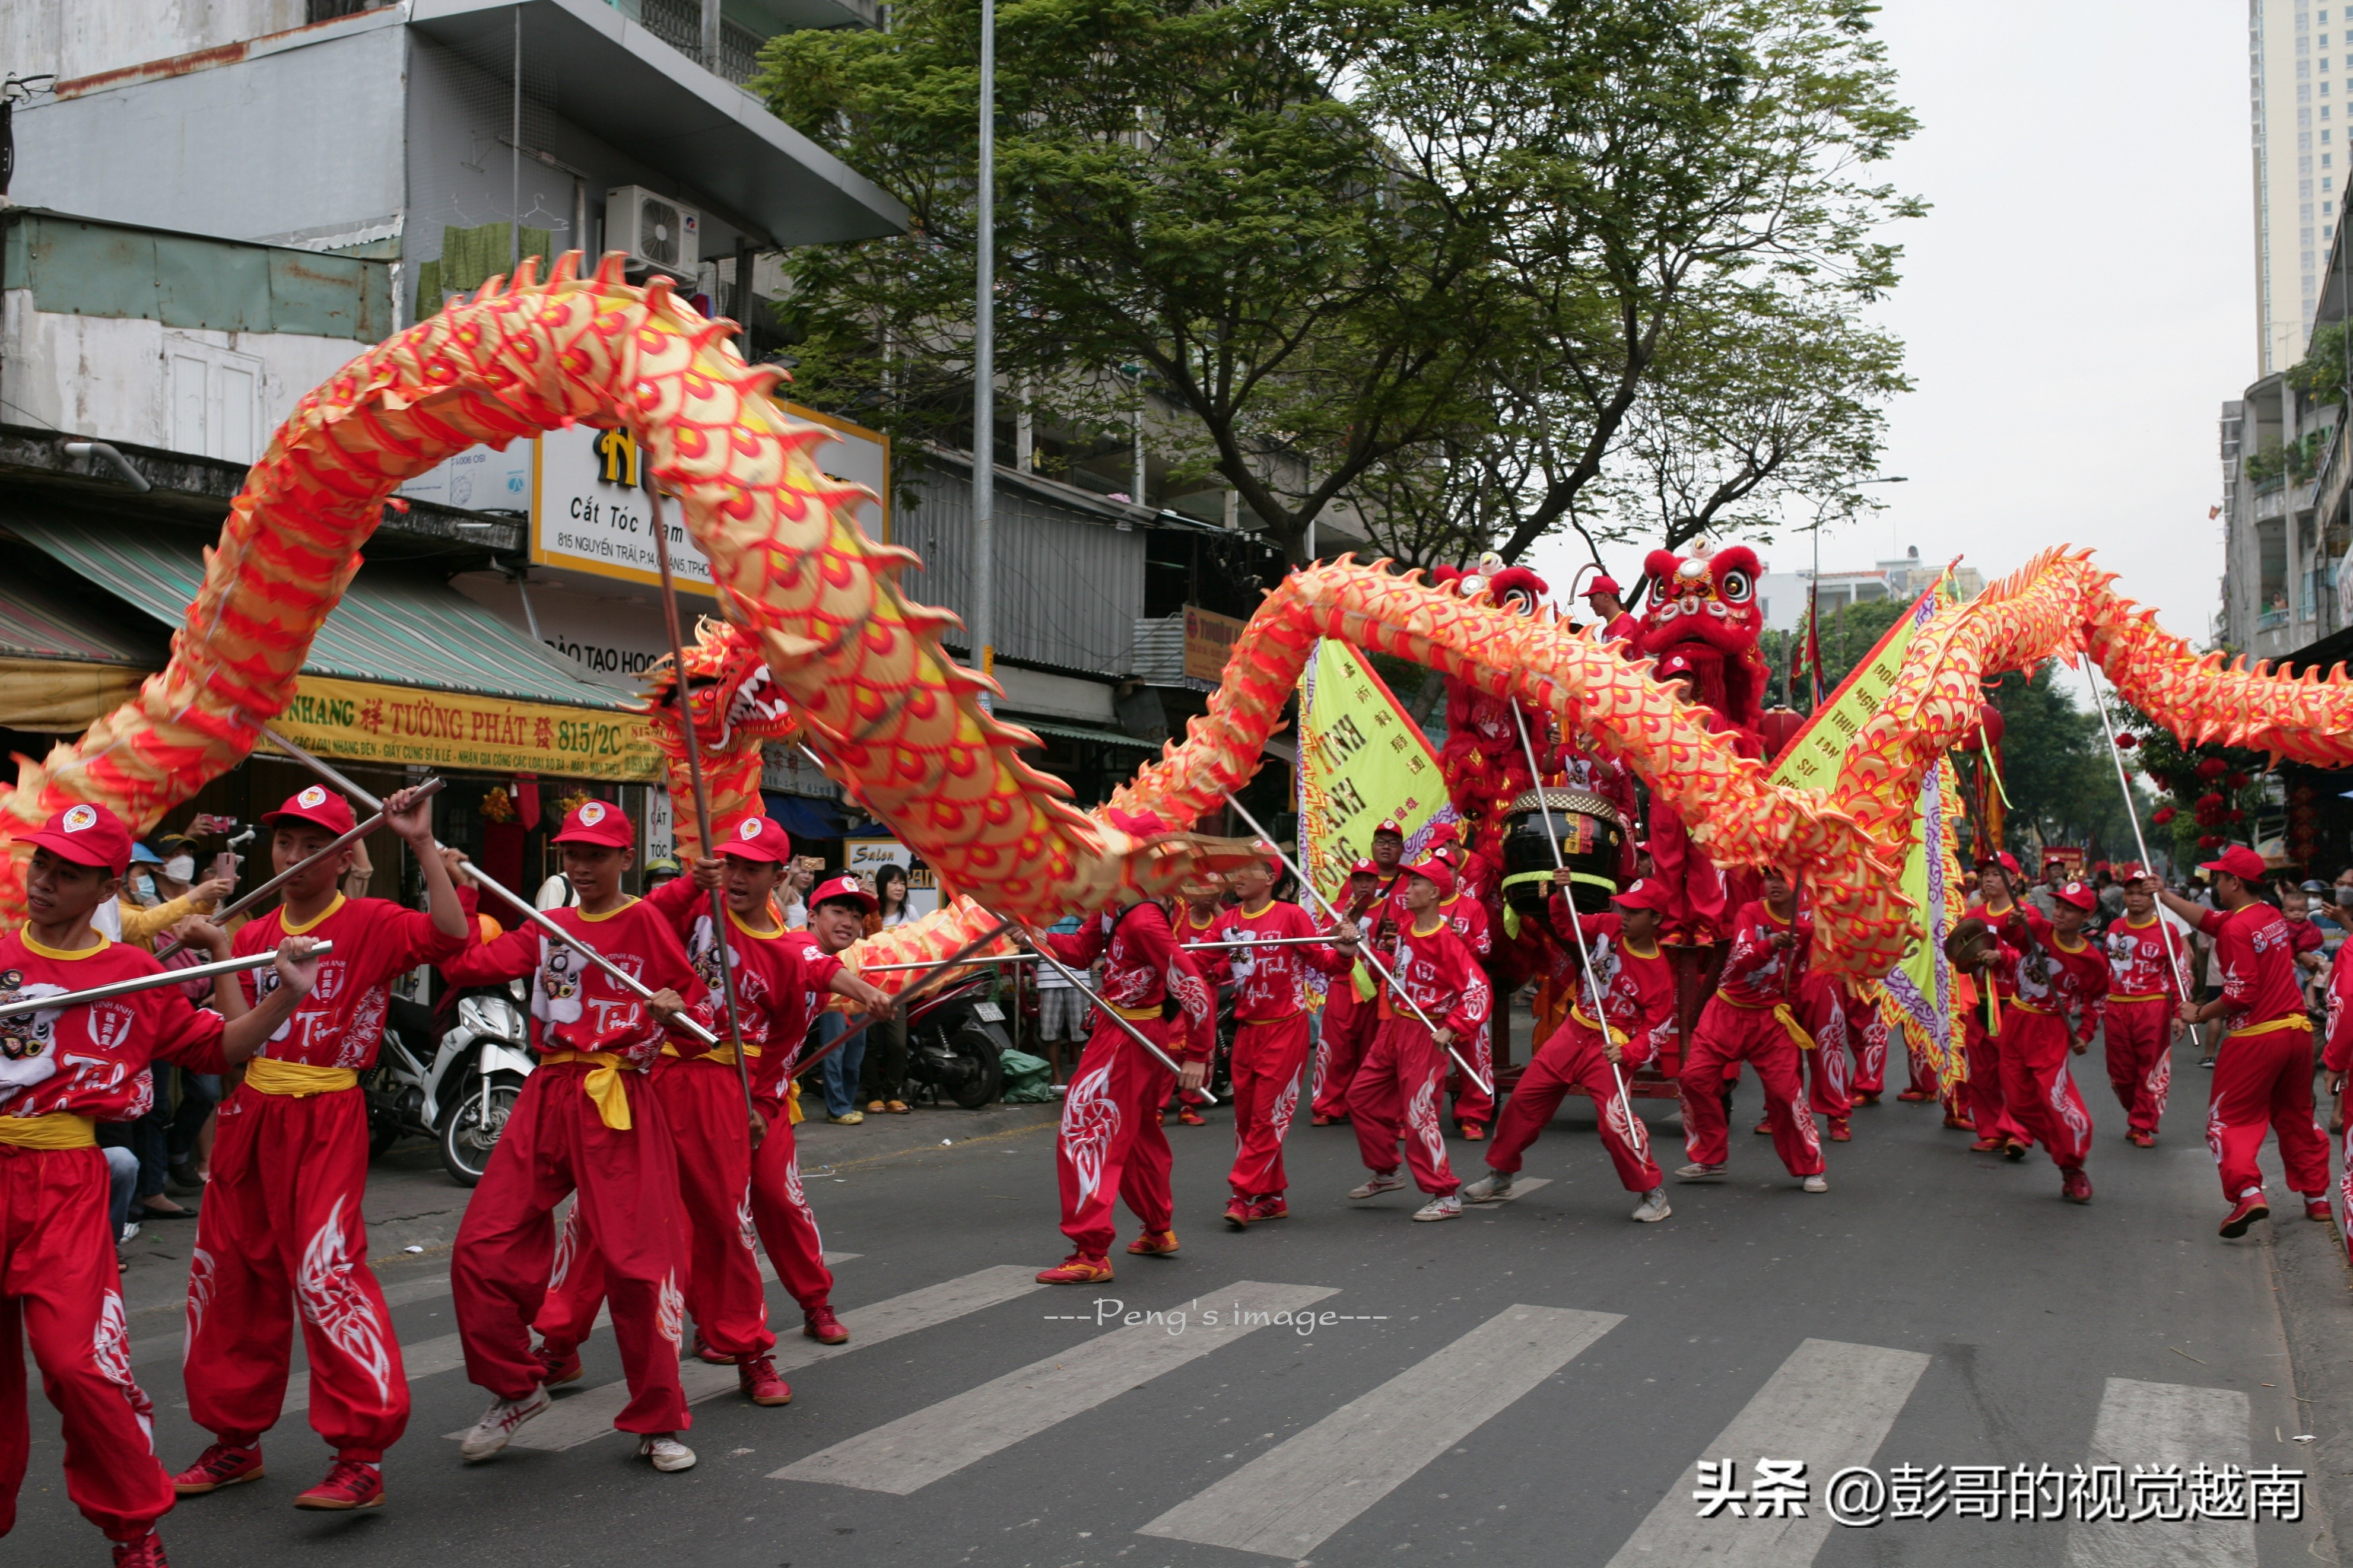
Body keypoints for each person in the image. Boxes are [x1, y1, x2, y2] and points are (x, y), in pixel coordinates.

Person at [0, 802, 320, 1568]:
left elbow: (218, 1051)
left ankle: (134, 1530)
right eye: (40, 863)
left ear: (106, 885)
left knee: (80, 1365)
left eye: (67, 871)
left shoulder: (132, 974)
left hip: (67, 1184)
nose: (44, 880)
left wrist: (284, 993)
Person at [170, 784, 466, 1513]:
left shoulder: (367, 921)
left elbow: (452, 938)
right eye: (285, 843)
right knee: (231, 1275)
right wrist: (220, 962)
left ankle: (360, 1455)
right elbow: (236, 1047)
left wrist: (421, 843)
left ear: (343, 858)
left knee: (325, 1274)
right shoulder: (249, 933)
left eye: (314, 847)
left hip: (327, 1113)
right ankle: (234, 1441)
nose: (294, 858)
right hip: (251, 1116)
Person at [539, 821, 896, 1405]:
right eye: (729, 864)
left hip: (719, 1090)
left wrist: (759, 1101)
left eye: (751, 870)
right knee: (597, 1219)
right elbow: (642, 919)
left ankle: (750, 1350)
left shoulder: (786, 948)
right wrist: (688, 886)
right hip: (646, 1076)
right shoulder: (692, 914)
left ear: (778, 879)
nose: (734, 878)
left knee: (728, 1223)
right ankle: (557, 1345)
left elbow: (789, 1024)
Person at [437, 801, 703, 1472]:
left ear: (622, 859)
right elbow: (464, 966)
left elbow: (695, 1006)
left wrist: (673, 1011)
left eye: (595, 855)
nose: (581, 866)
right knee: (478, 1248)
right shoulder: (548, 927)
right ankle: (515, 1387)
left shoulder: (643, 919)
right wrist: (462, 890)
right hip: (546, 1093)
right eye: (572, 855)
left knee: (637, 1270)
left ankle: (658, 1420)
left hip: (618, 1099)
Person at [1032, 809, 1214, 1283]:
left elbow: (1192, 986)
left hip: (1129, 1037)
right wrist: (1036, 937)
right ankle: (1158, 1227)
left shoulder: (1143, 920)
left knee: (1083, 1128)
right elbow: (1079, 952)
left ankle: (1090, 1252)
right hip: (1122, 1031)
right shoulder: (1112, 906)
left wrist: (1198, 1053)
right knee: (1135, 1134)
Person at [1465, 876, 1675, 1221]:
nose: (1625, 915)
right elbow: (1568, 925)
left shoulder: (1658, 974)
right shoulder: (1609, 925)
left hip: (1611, 1046)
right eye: (1625, 907)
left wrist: (1630, 1053)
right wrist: (1562, 893)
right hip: (1574, 1030)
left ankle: (1652, 1192)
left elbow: (1657, 1030)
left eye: (1636, 912)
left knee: (1615, 1122)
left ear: (1655, 920)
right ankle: (1501, 1175)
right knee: (1524, 1101)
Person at [2159, 845, 2334, 1238]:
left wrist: (2199, 1012)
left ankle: (2247, 1192)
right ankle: (2316, 1198)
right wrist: (2165, 895)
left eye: (2218, 877)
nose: (2214, 882)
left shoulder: (2238, 928)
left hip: (2256, 1037)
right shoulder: (2267, 915)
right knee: (2296, 1116)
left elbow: (2240, 995)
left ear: (2233, 882)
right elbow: (2209, 920)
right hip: (2296, 1033)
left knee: (2228, 1120)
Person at [1189, 848, 1355, 1228]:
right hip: (1247, 1032)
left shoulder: (1291, 916)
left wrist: (1344, 952)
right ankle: (1272, 1195)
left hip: (1285, 1029)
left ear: (1270, 878)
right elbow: (1202, 962)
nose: (1238, 877)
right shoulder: (1227, 922)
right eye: (1237, 871)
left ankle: (1242, 1193)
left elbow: (1324, 963)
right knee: (1248, 1120)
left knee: (1268, 1117)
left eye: (1248, 869)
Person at [1345, 857, 1491, 1223]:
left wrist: (1453, 1026)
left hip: (1427, 1034)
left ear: (1434, 893)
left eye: (1414, 885)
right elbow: (1394, 970)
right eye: (1407, 884)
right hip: (1394, 1027)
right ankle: (1386, 1171)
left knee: (1419, 1114)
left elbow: (1478, 991)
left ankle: (1445, 1193)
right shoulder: (1408, 928)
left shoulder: (1446, 940)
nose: (1406, 890)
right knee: (1360, 1096)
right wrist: (1357, 942)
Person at [1674, 868, 1828, 1192]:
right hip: (1727, 1011)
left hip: (1770, 1020)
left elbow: (1799, 977)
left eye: (1782, 878)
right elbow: (1742, 959)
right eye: (1769, 877)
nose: (1773, 884)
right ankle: (1710, 1157)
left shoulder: (1806, 929)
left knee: (1787, 1095)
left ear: (1799, 884)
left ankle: (1810, 1165)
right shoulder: (1750, 912)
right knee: (1693, 1079)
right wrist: (1771, 944)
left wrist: (1792, 1008)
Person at [1983, 882, 2104, 1203]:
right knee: (2020, 1103)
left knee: (2059, 1102)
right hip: (2017, 1022)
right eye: (2059, 906)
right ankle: (2062, 1152)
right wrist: (2012, 922)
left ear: (2086, 915)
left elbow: (2096, 999)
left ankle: (2072, 1165)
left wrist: (2085, 1033)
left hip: (2051, 1032)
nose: (2061, 913)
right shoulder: (2040, 930)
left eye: (2070, 909)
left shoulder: (2093, 961)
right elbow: (2017, 932)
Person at [1310, 847, 1399, 1126]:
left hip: (1373, 988)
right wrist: (1339, 929)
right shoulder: (1336, 910)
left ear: (1377, 883)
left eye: (1369, 880)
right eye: (1358, 879)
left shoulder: (1388, 909)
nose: (1364, 884)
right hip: (1342, 985)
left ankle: (1363, 1104)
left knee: (1371, 1050)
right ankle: (1327, 1106)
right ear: (1350, 882)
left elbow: (1393, 950)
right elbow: (1320, 943)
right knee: (1336, 1049)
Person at [2102, 865, 2184, 1147]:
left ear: (2153, 898)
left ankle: (2142, 1125)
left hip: (2152, 1006)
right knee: (2120, 1072)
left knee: (2151, 1067)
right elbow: (2106, 968)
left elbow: (2178, 974)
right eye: (2130, 893)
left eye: (2142, 893)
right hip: (2117, 1006)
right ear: (2124, 896)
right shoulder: (2115, 928)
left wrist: (2179, 1013)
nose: (2135, 898)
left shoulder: (2167, 930)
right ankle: (2137, 1110)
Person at [1427, 843, 1496, 1140]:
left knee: (1475, 1059)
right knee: (1422, 1062)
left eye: (1449, 868)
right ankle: (1417, 1116)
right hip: (1430, 998)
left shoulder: (1472, 907)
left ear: (1458, 873)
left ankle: (1474, 1117)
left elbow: (1485, 946)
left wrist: (1460, 939)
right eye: (1437, 869)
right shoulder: (1420, 906)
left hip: (1466, 997)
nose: (1444, 873)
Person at [1958, 855, 2027, 1150]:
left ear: (2013, 880)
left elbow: (2035, 959)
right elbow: (1958, 955)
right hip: (1980, 1003)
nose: (1988, 879)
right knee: (1982, 1072)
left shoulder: (2027, 915)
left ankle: (2018, 1133)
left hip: (2015, 1005)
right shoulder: (1973, 917)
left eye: (1997, 874)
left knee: (2014, 1073)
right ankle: (1991, 1131)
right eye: (1985, 873)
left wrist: (2005, 957)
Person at [804, 876, 884, 1125]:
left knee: (854, 1052)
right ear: (812, 916)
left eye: (856, 917)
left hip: (769, 1089)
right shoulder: (801, 945)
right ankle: (837, 1107)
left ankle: (844, 1104)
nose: (848, 923)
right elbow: (818, 966)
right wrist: (869, 993)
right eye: (837, 912)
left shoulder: (849, 949)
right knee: (835, 1050)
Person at [861, 863, 916, 1114]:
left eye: (902, 882)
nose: (899, 887)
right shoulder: (870, 914)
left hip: (898, 987)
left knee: (897, 1044)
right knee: (871, 1043)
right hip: (868, 985)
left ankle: (894, 1094)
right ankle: (873, 1094)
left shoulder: (911, 913)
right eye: (893, 882)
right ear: (883, 885)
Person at [1031, 912, 1087, 1083]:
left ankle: (1082, 1078)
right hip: (1048, 970)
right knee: (1049, 1032)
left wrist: (1072, 908)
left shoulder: (1077, 900)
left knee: (1081, 1032)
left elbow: (1092, 921)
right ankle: (1057, 1077)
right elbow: (1031, 927)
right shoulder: (1042, 903)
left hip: (1079, 970)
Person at [1580, 571, 1640, 643]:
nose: (1591, 605)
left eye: (1592, 599)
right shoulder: (1606, 631)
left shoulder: (1625, 622)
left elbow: (1615, 652)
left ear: (1606, 596)